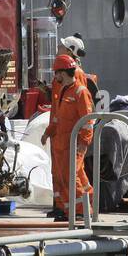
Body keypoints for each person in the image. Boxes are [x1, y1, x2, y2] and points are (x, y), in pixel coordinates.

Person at [42, 53, 94, 221]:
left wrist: (84, 142)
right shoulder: (64, 92)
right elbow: (58, 118)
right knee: (65, 177)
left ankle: (81, 211)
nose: (54, 76)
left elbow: (87, 120)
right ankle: (69, 210)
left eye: (56, 73)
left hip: (73, 144)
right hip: (62, 143)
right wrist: (47, 133)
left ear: (62, 73)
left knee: (73, 177)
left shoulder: (80, 92)